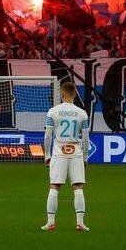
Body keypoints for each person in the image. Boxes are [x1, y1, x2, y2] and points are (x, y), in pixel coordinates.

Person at [42, 81, 90, 231]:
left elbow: (47, 136)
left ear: (62, 94)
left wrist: (47, 155)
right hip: (75, 151)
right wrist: (85, 157)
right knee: (78, 186)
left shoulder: (53, 111)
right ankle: (80, 223)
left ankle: (50, 222)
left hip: (59, 151)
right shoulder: (82, 113)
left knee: (54, 186)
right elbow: (85, 138)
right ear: (75, 93)